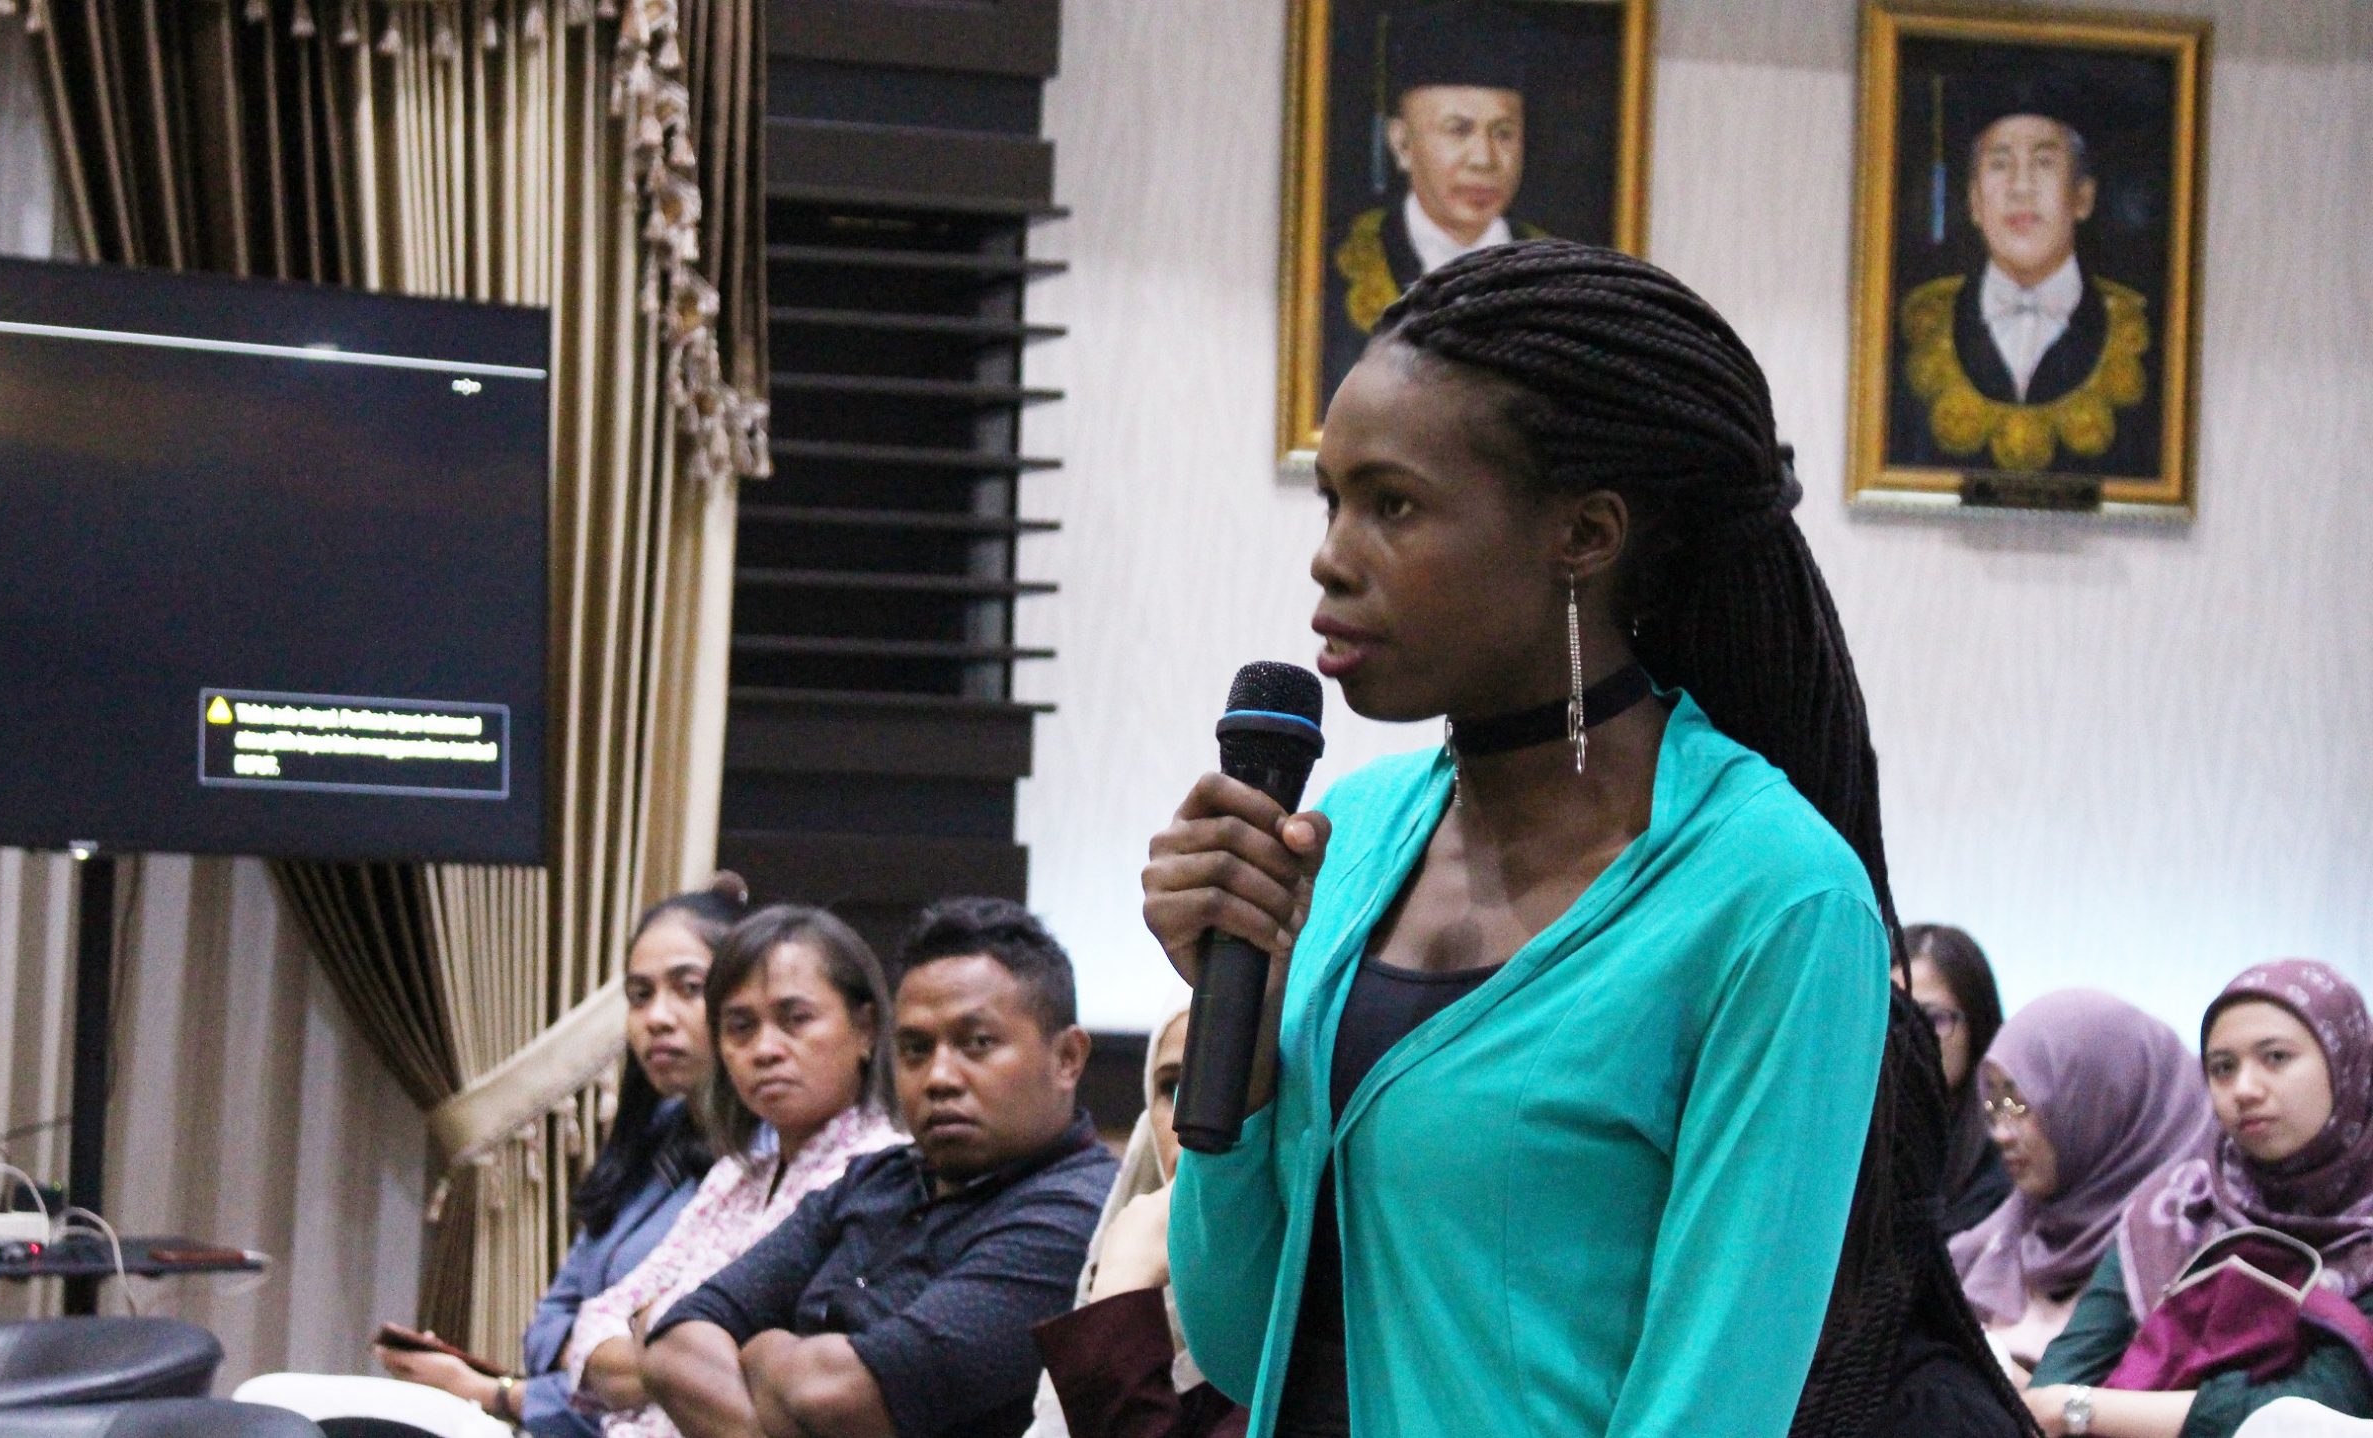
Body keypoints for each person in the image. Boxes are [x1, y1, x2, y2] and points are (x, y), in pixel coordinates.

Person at [1146, 238, 2026, 1438]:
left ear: (1585, 534)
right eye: (1331, 499)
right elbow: (1249, 1339)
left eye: (1392, 504)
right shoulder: (1340, 838)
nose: (1331, 554)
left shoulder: (1771, 896)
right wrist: (1240, 1058)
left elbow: (1710, 1406)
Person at [233, 878, 750, 1438]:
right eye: (640, 995)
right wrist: (586, 1362)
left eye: (688, 988)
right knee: (267, 1402)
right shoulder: (650, 1142)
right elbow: (552, 1325)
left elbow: (669, 1372)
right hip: (555, 1420)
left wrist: (500, 1391)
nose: (657, 1017)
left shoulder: (767, 1170)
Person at [645, 897, 1118, 1438]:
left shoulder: (1080, 1210)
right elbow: (674, 1346)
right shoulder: (875, 1177)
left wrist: (763, 1348)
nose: (939, 1076)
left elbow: (836, 1398)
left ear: (1067, 1058)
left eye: (977, 1043)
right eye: (916, 1049)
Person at [564, 905, 907, 1437]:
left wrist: (654, 1329)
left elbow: (790, 1378)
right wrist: (683, 1350)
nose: (765, 1049)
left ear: (864, 1028)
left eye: (796, 1019)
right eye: (740, 1027)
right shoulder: (736, 1173)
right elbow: (591, 1331)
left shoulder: (886, 1174)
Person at [2027, 960, 2373, 1437]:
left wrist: (2080, 1409)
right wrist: (2062, 1402)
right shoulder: (2181, 1205)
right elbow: (2064, 1370)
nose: (2244, 1090)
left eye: (2275, 1057)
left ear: (2347, 1063)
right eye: (2223, 1068)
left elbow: (2317, 1409)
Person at [1952, 990, 2213, 1381]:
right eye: (1994, 1104)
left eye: (2020, 1102)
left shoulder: (2192, 1245)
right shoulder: (1988, 1248)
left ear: (2107, 1101)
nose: (2002, 1134)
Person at [1895, 99, 2156, 476]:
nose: (2021, 188)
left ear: (2082, 197)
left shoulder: (2138, 338)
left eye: (2044, 163)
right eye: (2000, 164)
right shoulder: (1921, 331)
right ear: (1973, 202)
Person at [1025, 1008, 1246, 1438]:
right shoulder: (1138, 1263)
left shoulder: (1334, 1328)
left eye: (1236, 1082)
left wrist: (1121, 1298)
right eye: (1173, 1086)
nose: (1193, 1121)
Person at [1325, 3, 1546, 392]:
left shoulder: (1559, 275)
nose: (1484, 159)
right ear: (1402, 143)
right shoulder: (1341, 270)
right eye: (1458, 130)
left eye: (1504, 133)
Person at [1908, 923, 2017, 1234]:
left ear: (1977, 1025)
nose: (1906, 1036)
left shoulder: (2012, 1150)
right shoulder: (1846, 1140)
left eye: (1932, 1019)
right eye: (1892, 1015)